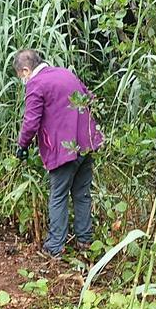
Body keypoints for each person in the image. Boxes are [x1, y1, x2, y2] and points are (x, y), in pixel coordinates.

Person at [13, 49, 104, 259]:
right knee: (81, 193)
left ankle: (55, 246)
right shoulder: (65, 73)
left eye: (21, 75)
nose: (23, 80)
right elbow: (90, 98)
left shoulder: (36, 84)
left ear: (25, 70)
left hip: (64, 148)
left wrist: (22, 145)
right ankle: (85, 241)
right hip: (86, 143)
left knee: (58, 195)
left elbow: (31, 121)